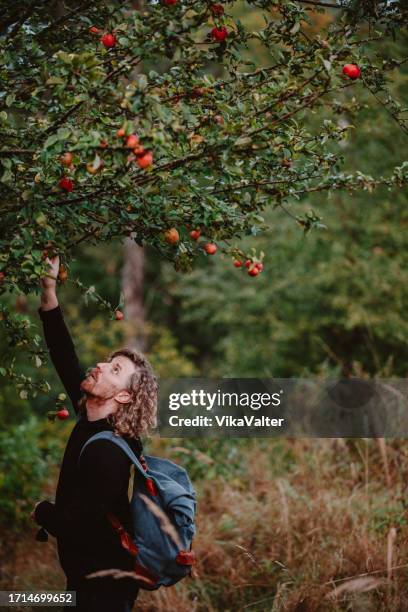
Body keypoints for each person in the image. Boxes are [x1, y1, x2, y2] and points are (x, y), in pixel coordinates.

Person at [30, 255, 158, 612]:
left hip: (105, 591)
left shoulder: (112, 451)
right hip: (83, 583)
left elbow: (79, 526)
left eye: (114, 369)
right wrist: (49, 289)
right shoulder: (91, 413)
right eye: (106, 361)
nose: (100, 365)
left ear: (123, 396)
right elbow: (63, 354)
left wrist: (43, 513)